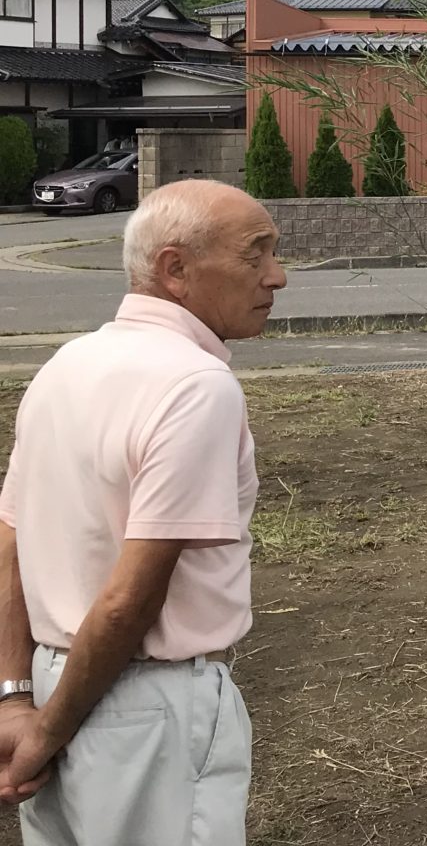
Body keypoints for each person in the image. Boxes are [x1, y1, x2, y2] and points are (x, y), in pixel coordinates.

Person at [0, 180, 284, 844]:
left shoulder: (67, 365)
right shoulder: (196, 386)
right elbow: (130, 599)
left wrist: (18, 696)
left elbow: (12, 539)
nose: (277, 275)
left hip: (51, 678)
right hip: (145, 700)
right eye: (256, 254)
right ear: (175, 269)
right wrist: (48, 727)